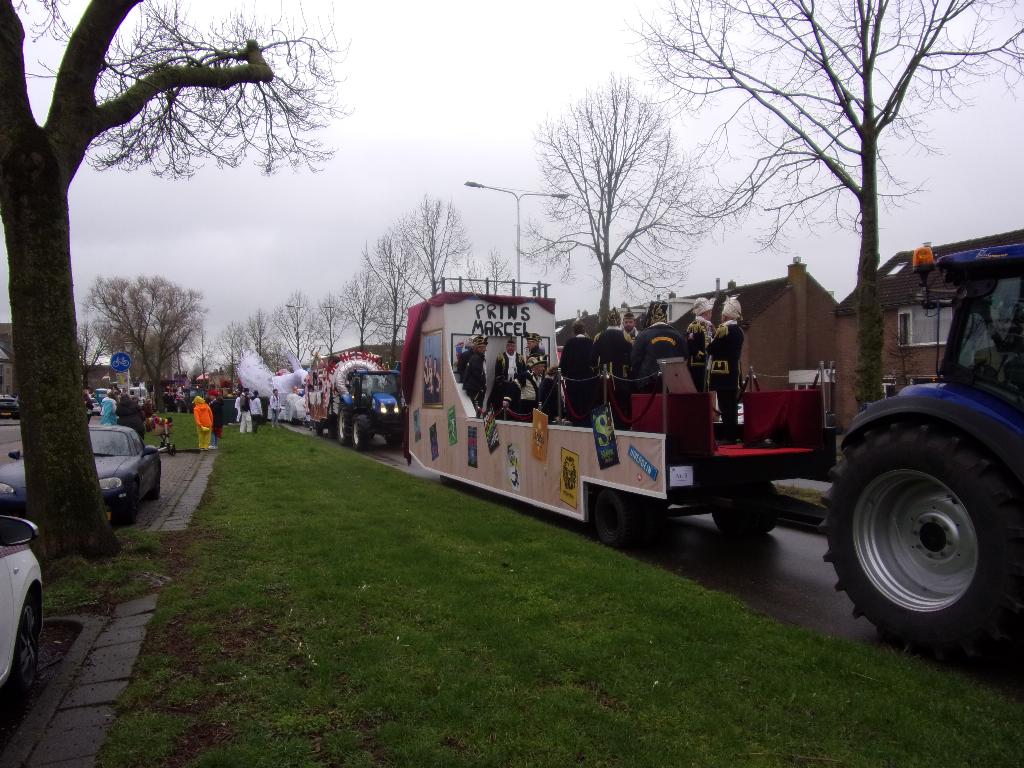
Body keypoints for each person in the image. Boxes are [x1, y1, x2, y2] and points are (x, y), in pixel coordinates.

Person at [708, 296, 745, 444]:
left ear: (727, 315)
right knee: (732, 405)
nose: (721, 317)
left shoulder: (724, 329)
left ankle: (728, 437)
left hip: (722, 373)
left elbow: (712, 348)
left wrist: (711, 338)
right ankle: (733, 435)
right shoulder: (739, 331)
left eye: (723, 314)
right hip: (734, 371)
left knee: (724, 405)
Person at [630, 300, 686, 394]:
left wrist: (637, 380)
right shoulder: (677, 335)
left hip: (648, 382)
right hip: (673, 382)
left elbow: (635, 359)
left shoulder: (643, 335)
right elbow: (684, 357)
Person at [591, 307, 633, 416]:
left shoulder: (599, 336)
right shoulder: (626, 336)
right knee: (620, 405)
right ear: (619, 321)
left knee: (603, 402)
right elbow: (631, 357)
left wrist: (595, 371)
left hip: (603, 377)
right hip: (621, 378)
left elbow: (592, 358)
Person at [557, 321, 596, 423]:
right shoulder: (591, 343)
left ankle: (573, 421)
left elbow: (563, 363)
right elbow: (595, 362)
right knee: (586, 403)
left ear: (574, 331)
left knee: (574, 404)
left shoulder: (569, 343)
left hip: (573, 380)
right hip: (588, 380)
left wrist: (564, 374)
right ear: (584, 330)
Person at [491, 336, 527, 415]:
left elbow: (524, 372)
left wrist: (521, 383)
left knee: (514, 403)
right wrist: (500, 381)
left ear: (515, 347)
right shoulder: (501, 357)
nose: (510, 348)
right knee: (502, 403)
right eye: (509, 346)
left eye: (512, 346)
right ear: (506, 347)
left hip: (516, 385)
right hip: (504, 385)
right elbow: (497, 372)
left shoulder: (520, 357)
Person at [686, 297, 716, 392]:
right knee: (699, 388)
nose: (711, 314)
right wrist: (703, 355)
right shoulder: (694, 326)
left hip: (708, 363)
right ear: (705, 312)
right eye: (710, 312)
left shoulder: (710, 326)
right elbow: (691, 346)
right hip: (697, 364)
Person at [461, 335, 488, 414]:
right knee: (476, 409)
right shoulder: (477, 358)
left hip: (474, 388)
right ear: (479, 348)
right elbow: (477, 374)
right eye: (484, 347)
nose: (485, 349)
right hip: (475, 389)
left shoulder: (476, 357)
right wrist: (483, 384)